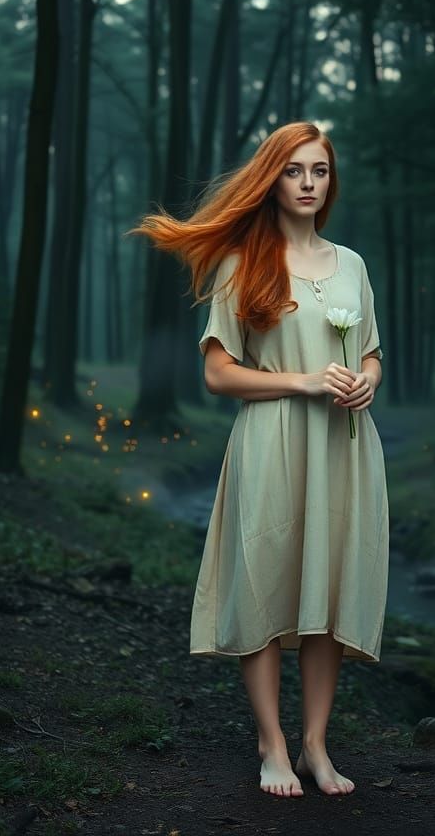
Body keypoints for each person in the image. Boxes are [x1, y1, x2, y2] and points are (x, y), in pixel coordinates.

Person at [130, 121, 389, 798]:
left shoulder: (353, 264)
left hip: (344, 445)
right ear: (271, 179)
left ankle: (315, 744)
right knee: (266, 583)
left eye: (320, 172)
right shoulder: (244, 261)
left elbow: (370, 351)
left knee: (329, 593)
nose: (308, 184)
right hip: (272, 440)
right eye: (294, 171)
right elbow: (219, 375)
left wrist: (367, 380)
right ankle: (272, 743)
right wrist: (303, 381)